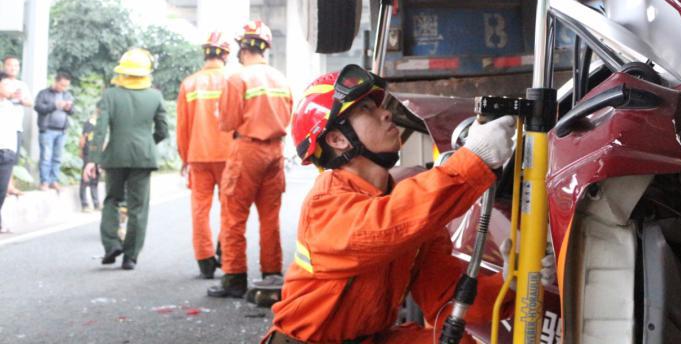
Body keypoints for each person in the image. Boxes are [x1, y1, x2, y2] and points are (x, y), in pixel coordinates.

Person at [263, 64, 517, 344]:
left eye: (378, 106)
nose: (385, 113)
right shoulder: (324, 205)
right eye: (366, 109)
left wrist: (509, 283)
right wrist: (473, 160)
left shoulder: (409, 212)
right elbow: (386, 225)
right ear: (337, 139)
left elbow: (447, 299)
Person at [207, 20, 292, 298]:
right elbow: (288, 116)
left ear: (242, 49)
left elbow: (227, 122)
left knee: (234, 215)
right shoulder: (280, 78)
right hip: (275, 152)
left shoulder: (237, 78)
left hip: (247, 150)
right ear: (265, 48)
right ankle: (272, 274)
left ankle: (234, 278)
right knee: (270, 217)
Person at [83, 48, 169, 271]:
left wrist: (92, 159)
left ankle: (111, 245)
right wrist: (147, 143)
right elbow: (163, 131)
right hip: (143, 158)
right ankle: (130, 257)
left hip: (115, 156)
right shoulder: (155, 96)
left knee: (112, 200)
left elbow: (100, 130)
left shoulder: (110, 95)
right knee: (138, 207)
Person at [176, 32, 235, 279]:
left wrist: (184, 157)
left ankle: (204, 260)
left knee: (200, 209)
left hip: (198, 155)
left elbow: (183, 126)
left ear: (206, 54)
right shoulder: (233, 81)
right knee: (229, 208)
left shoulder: (189, 84)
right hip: (229, 155)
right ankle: (224, 248)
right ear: (225, 56)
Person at [34, 71, 75, 191]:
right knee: (46, 157)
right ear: (56, 81)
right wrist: (54, 105)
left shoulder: (67, 95)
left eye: (66, 86)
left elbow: (72, 111)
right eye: (62, 85)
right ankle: (44, 182)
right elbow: (38, 107)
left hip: (62, 130)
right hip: (47, 130)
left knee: (57, 157)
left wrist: (68, 108)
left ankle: (54, 181)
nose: (64, 88)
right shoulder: (44, 93)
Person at [3, 56, 31, 197]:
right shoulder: (2, 83)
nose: (13, 68)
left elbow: (30, 102)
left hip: (15, 127)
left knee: (12, 159)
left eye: (16, 65)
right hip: (2, 127)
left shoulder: (22, 85)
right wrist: (9, 95)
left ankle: (9, 186)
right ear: (4, 66)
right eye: (10, 65)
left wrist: (20, 100)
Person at [0, 71, 20, 233]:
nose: (9, 88)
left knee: (2, 190)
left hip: (7, 153)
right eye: (6, 84)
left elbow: (15, 132)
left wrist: (14, 153)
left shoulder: (10, 107)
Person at [78, 108, 101, 212]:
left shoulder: (101, 124)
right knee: (85, 178)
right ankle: (84, 204)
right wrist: (81, 150)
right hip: (89, 153)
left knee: (95, 178)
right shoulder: (90, 123)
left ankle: (96, 203)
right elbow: (83, 138)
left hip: (97, 154)